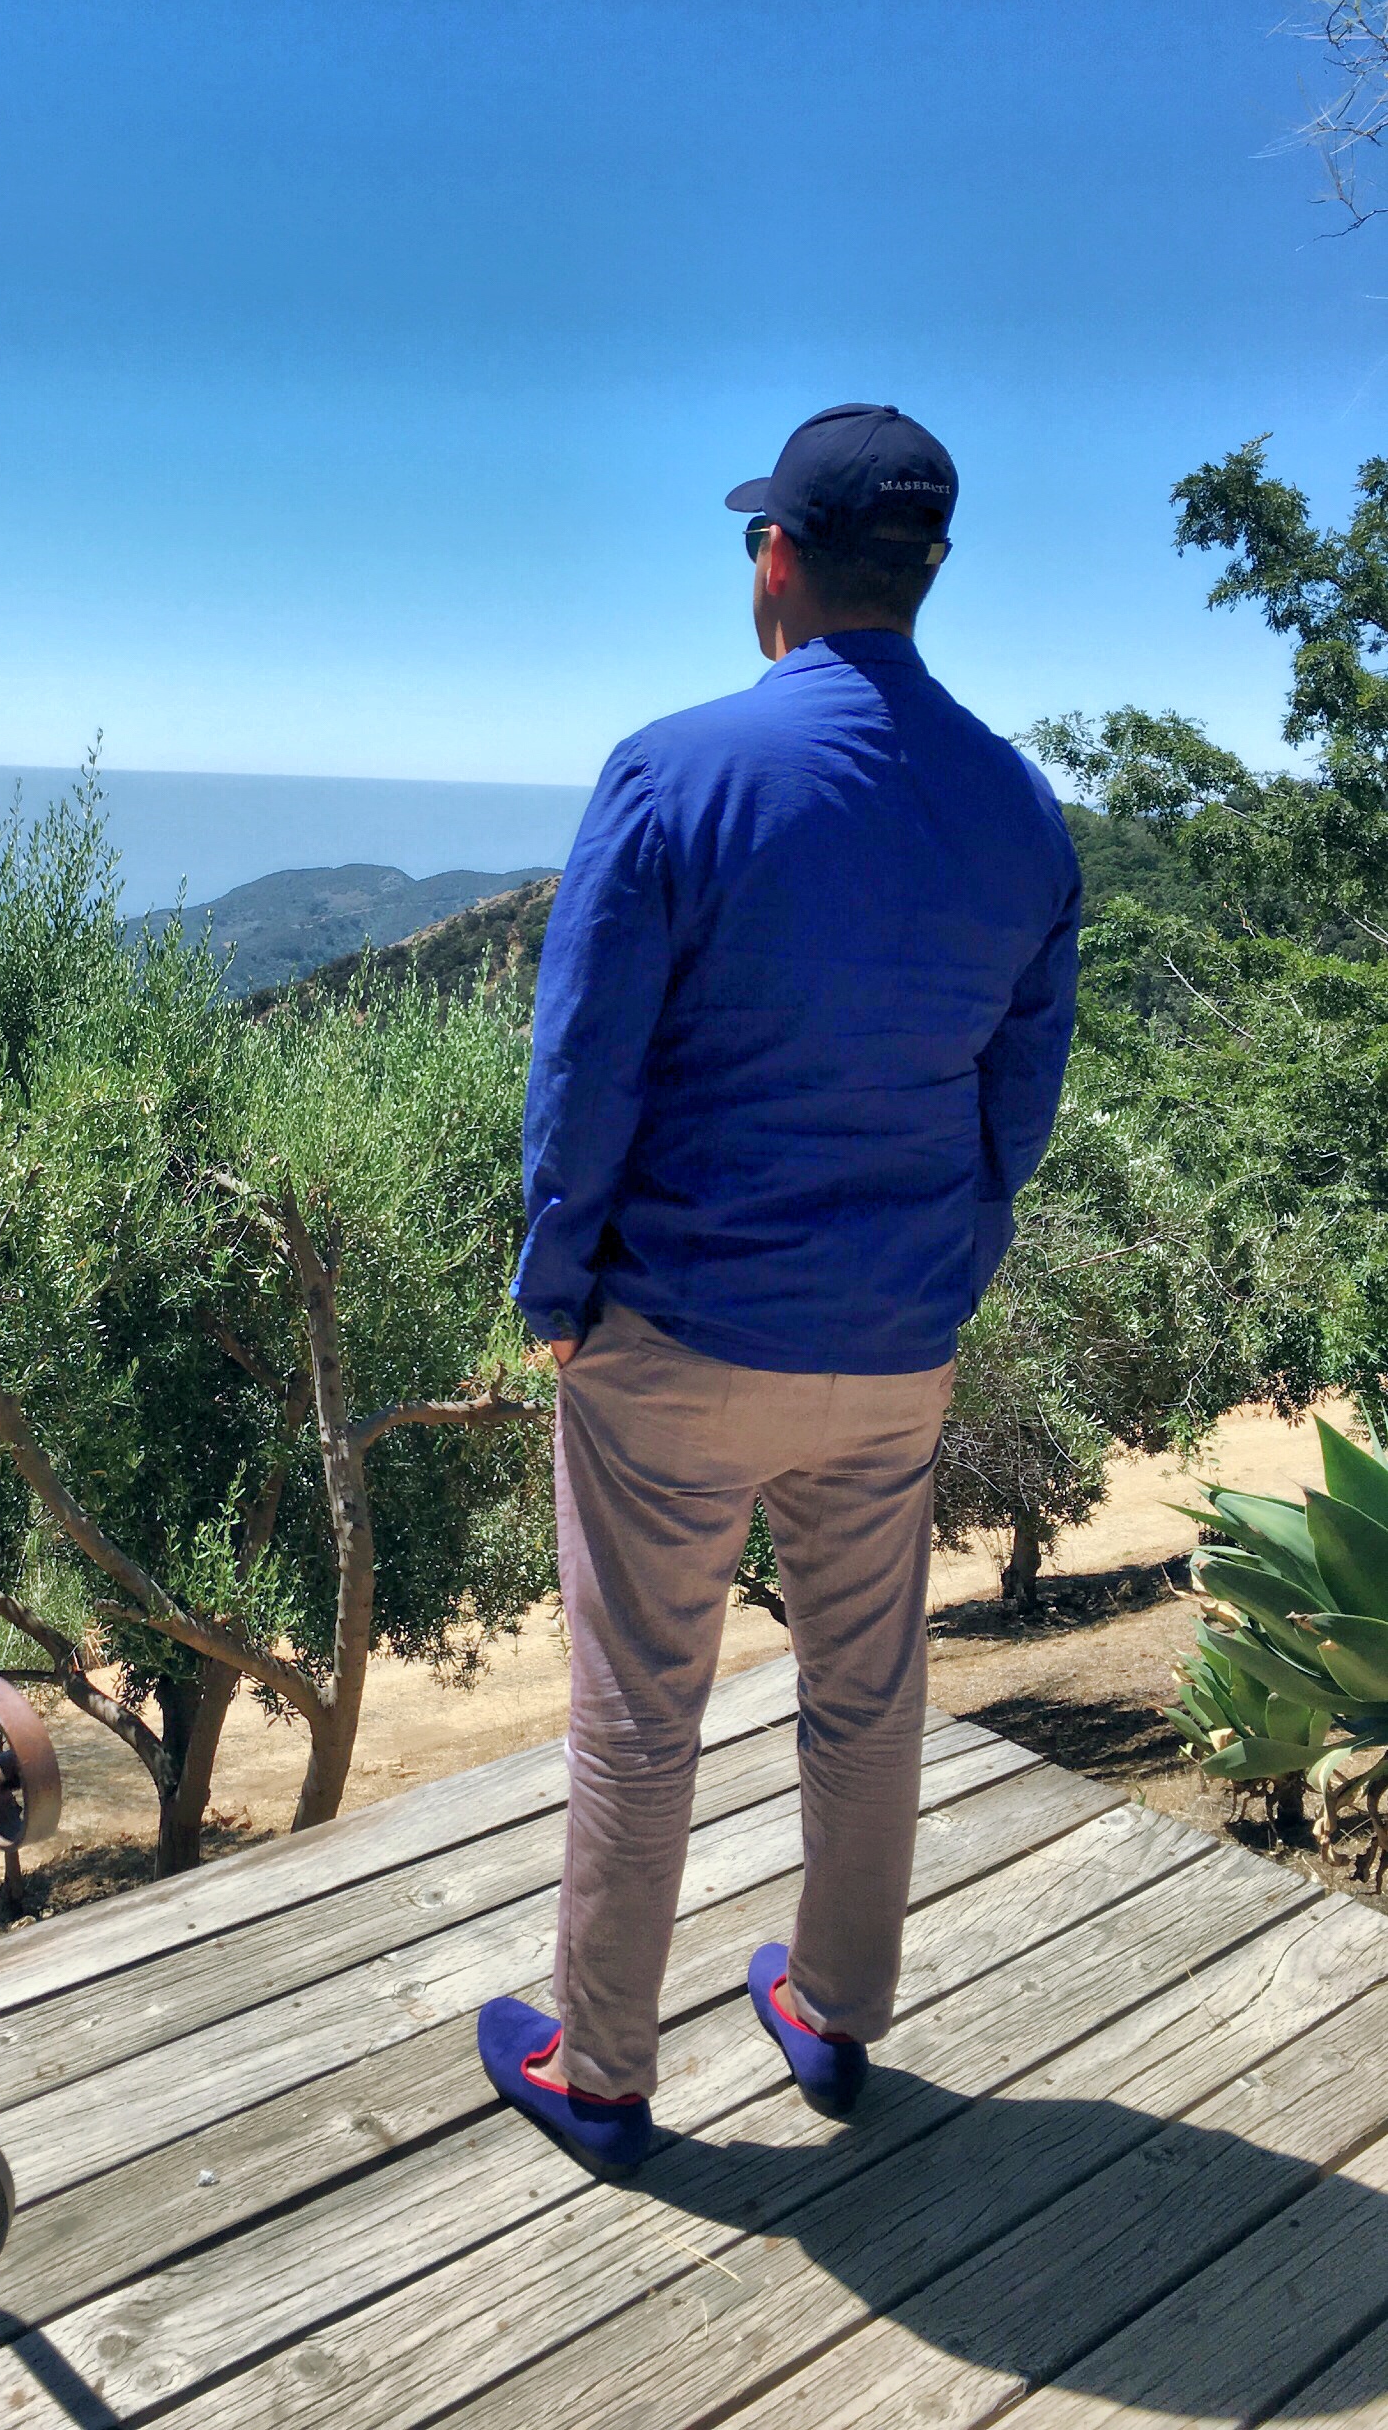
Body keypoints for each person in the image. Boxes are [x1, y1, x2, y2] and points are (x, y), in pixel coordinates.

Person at [476, 403, 1080, 2174]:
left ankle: (603, 2069)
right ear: (929, 569)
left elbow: (584, 1071)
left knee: (639, 1709)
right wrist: (941, 1279)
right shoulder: (1021, 811)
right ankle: (832, 2009)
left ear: (779, 559)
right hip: (893, 1349)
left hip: (676, 1338)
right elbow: (1015, 1108)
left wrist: (556, 1282)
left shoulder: (674, 772)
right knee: (870, 1691)